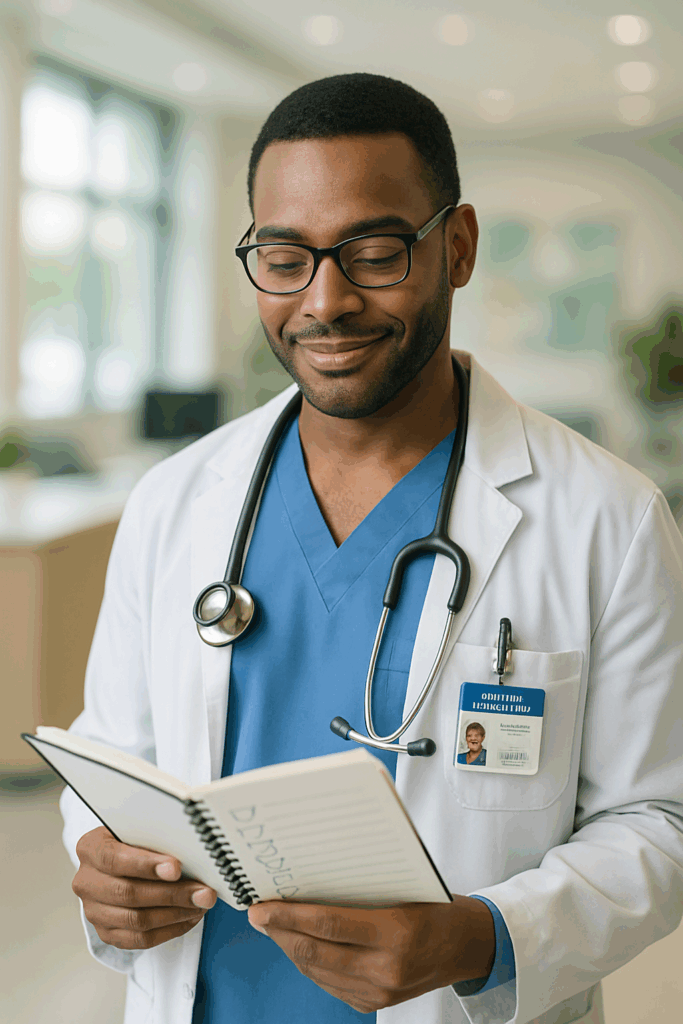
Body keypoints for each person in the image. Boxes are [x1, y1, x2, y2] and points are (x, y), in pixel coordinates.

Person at [61, 73, 683, 1024]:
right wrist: (102, 864)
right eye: (284, 256)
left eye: (374, 252)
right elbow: (113, 756)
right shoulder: (176, 500)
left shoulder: (607, 516)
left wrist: (483, 936)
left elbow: (661, 820)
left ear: (457, 247)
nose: (325, 301)